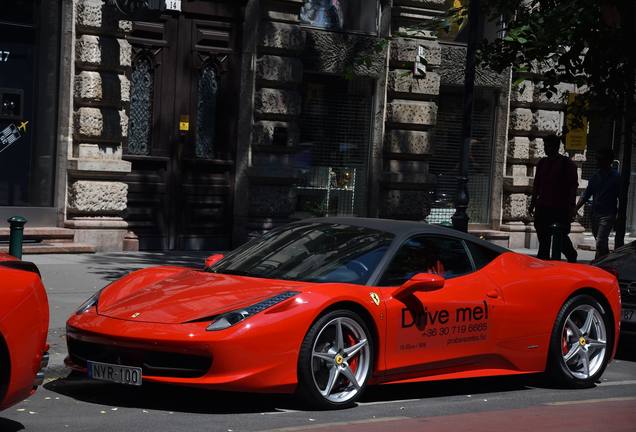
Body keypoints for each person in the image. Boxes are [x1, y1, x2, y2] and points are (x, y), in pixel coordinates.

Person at [529, 135, 579, 262]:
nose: (546, 148)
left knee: (561, 239)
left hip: (559, 209)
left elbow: (573, 187)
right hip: (543, 208)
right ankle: (544, 265)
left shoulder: (567, 164)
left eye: (549, 146)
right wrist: (533, 203)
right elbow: (537, 185)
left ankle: (571, 257)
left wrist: (572, 207)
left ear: (556, 147)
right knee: (543, 243)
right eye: (545, 146)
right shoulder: (542, 163)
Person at [575, 147, 620, 259]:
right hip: (595, 214)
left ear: (608, 160)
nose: (597, 161)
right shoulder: (595, 177)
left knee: (600, 241)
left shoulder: (616, 177)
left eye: (600, 159)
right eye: (597, 159)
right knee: (601, 242)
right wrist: (575, 208)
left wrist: (619, 215)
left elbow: (621, 196)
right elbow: (586, 195)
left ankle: (598, 264)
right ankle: (605, 261)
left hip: (607, 215)